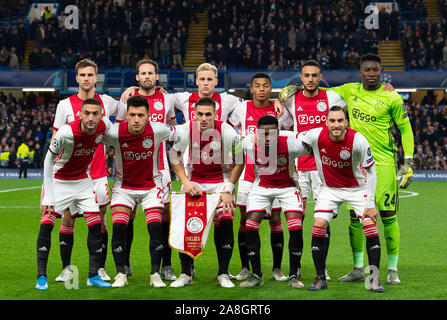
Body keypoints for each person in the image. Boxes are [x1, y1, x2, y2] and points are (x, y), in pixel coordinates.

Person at [327, 54, 414, 285]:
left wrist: (409, 162)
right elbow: (318, 93)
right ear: (361, 71)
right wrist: (288, 91)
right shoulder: (349, 90)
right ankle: (357, 268)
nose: (372, 73)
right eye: (367, 69)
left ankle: (392, 269)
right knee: (356, 218)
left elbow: (405, 129)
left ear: (380, 71)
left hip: (384, 163)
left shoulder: (391, 96)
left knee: (387, 216)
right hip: (355, 165)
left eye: (375, 70)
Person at [51, 59, 126, 283]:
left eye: (90, 75)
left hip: (98, 172)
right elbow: (55, 139)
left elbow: (129, 108)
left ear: (96, 78)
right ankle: (67, 269)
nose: (86, 79)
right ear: (77, 78)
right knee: (68, 219)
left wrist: (133, 89)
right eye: (82, 75)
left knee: (101, 220)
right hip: (71, 174)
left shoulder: (107, 102)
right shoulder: (64, 105)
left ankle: (99, 269)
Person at [298, 105, 384, 292]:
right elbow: (296, 138)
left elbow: (371, 172)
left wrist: (370, 204)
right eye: (332, 121)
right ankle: (320, 277)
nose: (336, 125)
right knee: (319, 224)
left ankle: (374, 278)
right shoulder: (315, 136)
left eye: (339, 121)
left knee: (369, 225)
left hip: (357, 188)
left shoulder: (358, 140)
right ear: (326, 122)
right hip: (330, 189)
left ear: (346, 122)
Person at [280, 59, 347, 281]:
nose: (310, 79)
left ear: (320, 77)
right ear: (301, 78)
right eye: (306, 75)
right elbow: (280, 118)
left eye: (314, 75)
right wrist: (275, 99)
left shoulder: (332, 98)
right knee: (295, 220)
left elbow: (355, 102)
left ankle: (322, 268)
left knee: (323, 219)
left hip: (323, 168)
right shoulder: (291, 99)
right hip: (298, 168)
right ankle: (295, 268)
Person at [36, 99, 112, 290]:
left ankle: (93, 275)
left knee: (95, 224)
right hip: (58, 179)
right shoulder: (66, 132)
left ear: (101, 115)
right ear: (80, 114)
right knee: (47, 224)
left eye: (96, 113)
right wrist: (48, 195)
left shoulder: (104, 126)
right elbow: (48, 160)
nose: (91, 117)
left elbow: (119, 136)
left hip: (82, 181)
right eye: (87, 113)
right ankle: (41, 277)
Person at [168, 97, 244, 288]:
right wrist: (185, 181)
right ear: (194, 114)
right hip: (195, 183)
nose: (203, 118)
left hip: (220, 183)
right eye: (199, 114)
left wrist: (229, 187)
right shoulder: (186, 130)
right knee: (187, 227)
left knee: (226, 220)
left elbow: (240, 160)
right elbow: (175, 157)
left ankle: (223, 274)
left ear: (215, 115)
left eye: (207, 114)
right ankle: (186, 273)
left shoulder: (226, 131)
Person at [101, 95, 174, 288]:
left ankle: (155, 274)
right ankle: (120, 274)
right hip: (123, 187)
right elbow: (93, 134)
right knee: (119, 228)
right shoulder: (115, 132)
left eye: (140, 115)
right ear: (126, 115)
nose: (136, 119)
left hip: (151, 187)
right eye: (132, 115)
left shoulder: (158, 129)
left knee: (155, 228)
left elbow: (182, 133)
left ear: (148, 116)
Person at [228, 72, 293, 281]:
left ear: (270, 88)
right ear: (252, 88)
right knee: (244, 221)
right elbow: (231, 133)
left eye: (266, 85)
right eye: (257, 85)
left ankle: (276, 268)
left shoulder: (279, 111)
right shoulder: (241, 109)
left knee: (275, 219)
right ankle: (246, 267)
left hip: (273, 174)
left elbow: (289, 136)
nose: (262, 89)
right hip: (248, 176)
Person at [120, 58, 178, 281]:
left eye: (150, 73)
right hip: (131, 169)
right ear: (137, 77)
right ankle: (124, 264)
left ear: (156, 77)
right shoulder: (127, 99)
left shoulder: (167, 99)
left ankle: (166, 265)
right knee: (128, 217)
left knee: (165, 218)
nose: (146, 77)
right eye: (142, 73)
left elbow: (173, 129)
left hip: (160, 169)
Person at [240, 115, 310, 288]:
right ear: (257, 133)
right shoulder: (248, 143)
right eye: (263, 133)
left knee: (295, 225)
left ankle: (294, 274)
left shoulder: (293, 144)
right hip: (262, 186)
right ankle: (256, 274)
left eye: (272, 133)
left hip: (288, 186)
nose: (267, 137)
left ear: (279, 132)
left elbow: (313, 143)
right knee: (250, 225)